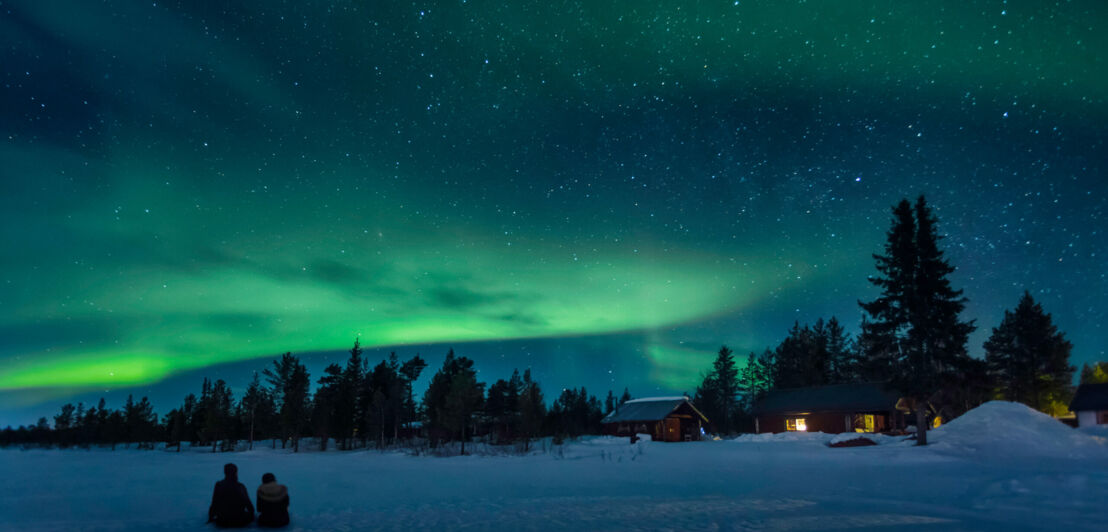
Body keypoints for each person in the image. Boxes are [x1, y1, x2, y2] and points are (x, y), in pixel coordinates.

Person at [208, 463, 254, 528]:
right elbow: (248, 504)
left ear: (225, 472)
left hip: (222, 520)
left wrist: (211, 517)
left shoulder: (219, 485)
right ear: (236, 472)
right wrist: (252, 515)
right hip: (240, 520)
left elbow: (214, 502)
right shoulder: (240, 486)